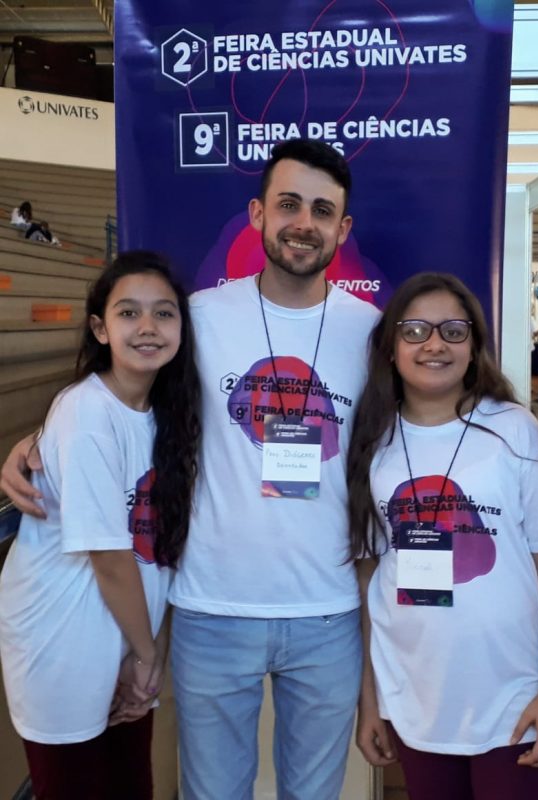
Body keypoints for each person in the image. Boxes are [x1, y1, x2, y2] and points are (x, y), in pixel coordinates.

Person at [1, 139, 380, 800]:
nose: (303, 223)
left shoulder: (372, 332)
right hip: (212, 609)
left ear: (342, 229)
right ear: (258, 214)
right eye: (289, 204)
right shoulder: (199, 317)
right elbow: (126, 392)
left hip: (328, 611)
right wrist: (40, 439)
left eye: (322, 211)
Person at [347, 272, 538, 800]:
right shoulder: (373, 441)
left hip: (513, 697)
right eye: (415, 331)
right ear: (391, 348)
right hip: (416, 695)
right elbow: (369, 581)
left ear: (473, 346)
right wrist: (370, 700)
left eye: (453, 330)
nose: (434, 344)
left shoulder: (514, 430)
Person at [0, 251, 201, 800]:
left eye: (163, 313)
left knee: (130, 785)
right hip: (64, 640)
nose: (147, 326)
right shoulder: (86, 411)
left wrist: (142, 652)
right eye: (128, 312)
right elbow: (110, 558)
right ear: (100, 328)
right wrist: (147, 656)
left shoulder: (166, 416)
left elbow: (155, 551)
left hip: (126, 636)